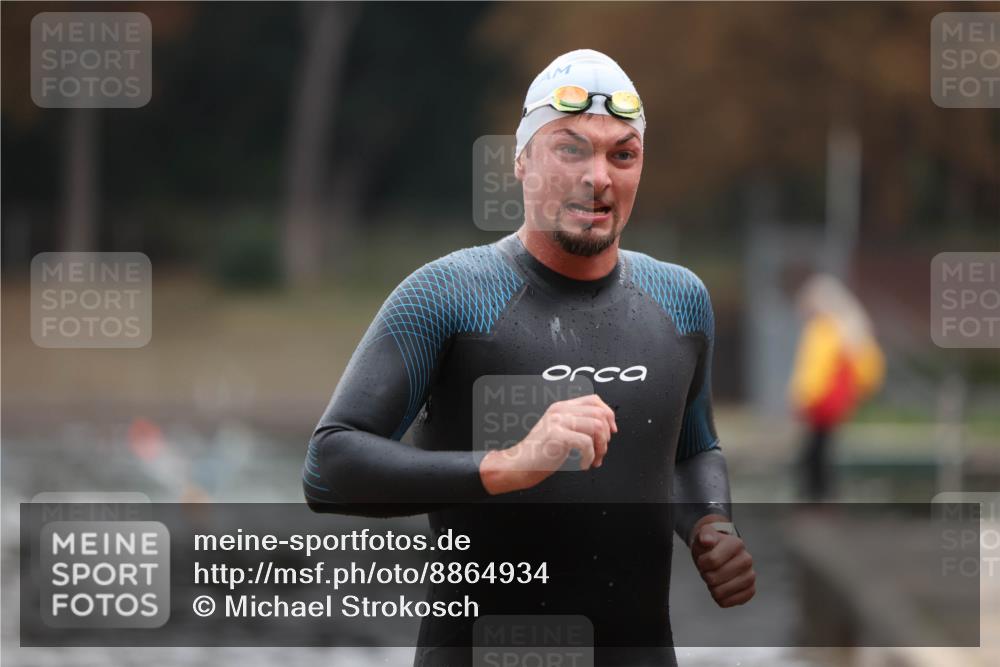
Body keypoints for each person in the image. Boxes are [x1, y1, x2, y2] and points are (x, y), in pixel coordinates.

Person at [303, 49, 755, 666]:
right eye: (570, 148)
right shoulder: (447, 295)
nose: (598, 175)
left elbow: (691, 448)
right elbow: (329, 466)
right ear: (520, 161)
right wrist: (505, 466)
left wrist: (710, 525)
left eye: (622, 153)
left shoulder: (680, 301)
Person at [788, 273, 886, 501]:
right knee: (822, 450)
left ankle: (815, 498)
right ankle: (822, 496)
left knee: (813, 453)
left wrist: (801, 396)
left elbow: (814, 368)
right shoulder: (851, 328)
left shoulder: (823, 330)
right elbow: (868, 370)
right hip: (838, 402)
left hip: (820, 402)